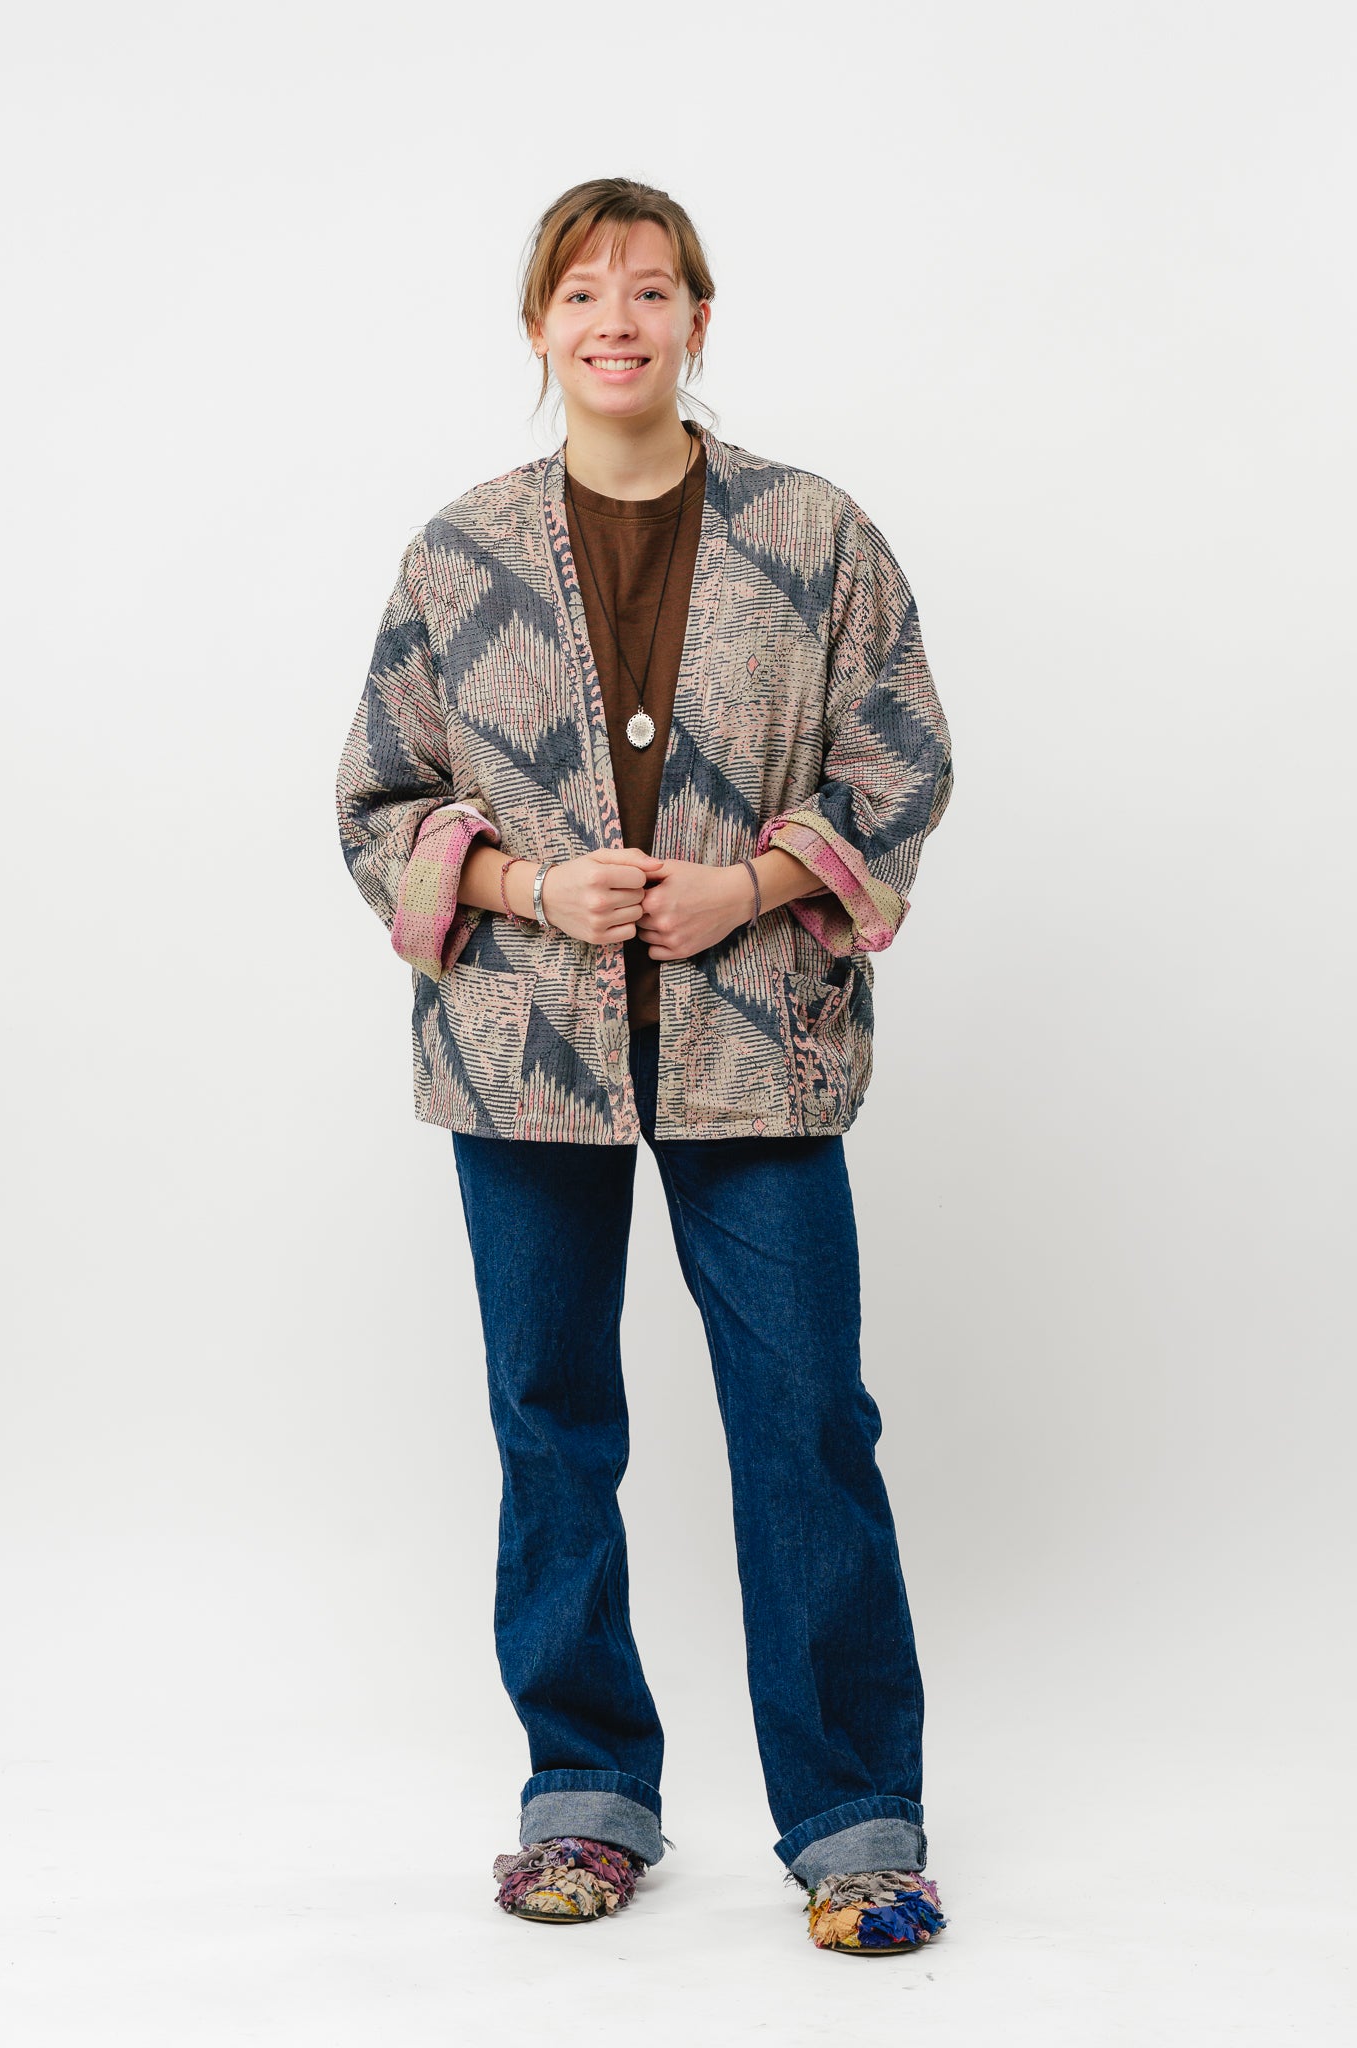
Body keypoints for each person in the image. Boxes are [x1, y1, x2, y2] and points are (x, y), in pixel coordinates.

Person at [334, 176, 955, 1955]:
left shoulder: (815, 532)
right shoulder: (456, 555)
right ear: (540, 327)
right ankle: (586, 1796)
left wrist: (746, 888)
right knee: (551, 1415)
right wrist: (527, 880)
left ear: (699, 318)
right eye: (584, 290)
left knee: (805, 1416)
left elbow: (898, 755)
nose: (619, 316)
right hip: (521, 1052)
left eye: (653, 287)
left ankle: (854, 1821)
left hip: (760, 1047)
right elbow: (374, 797)